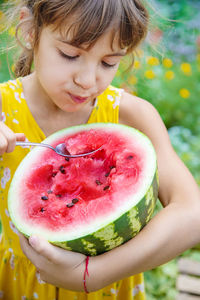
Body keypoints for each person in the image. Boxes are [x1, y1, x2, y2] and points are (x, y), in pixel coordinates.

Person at [0, 0, 200, 299]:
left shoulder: (132, 116)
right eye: (70, 55)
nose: (87, 80)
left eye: (109, 63)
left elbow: (192, 213)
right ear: (30, 29)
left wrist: (93, 275)